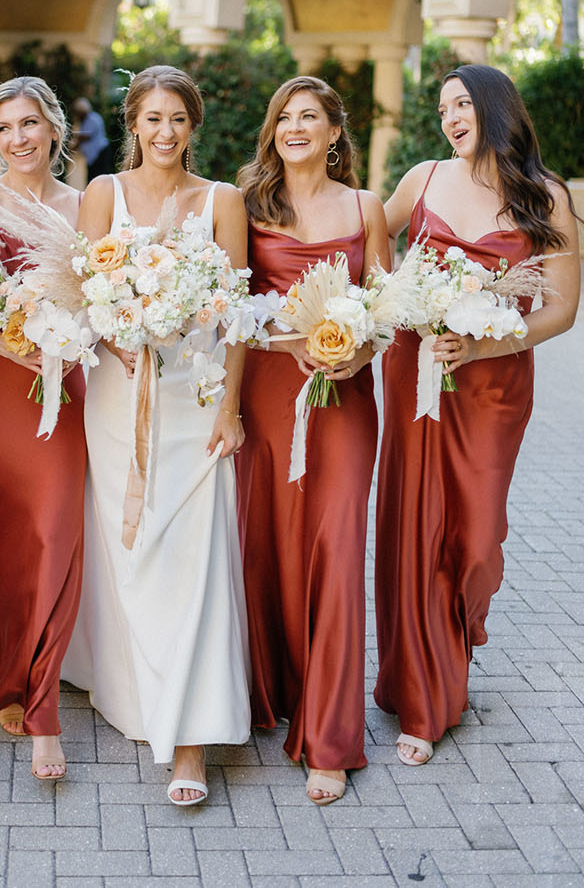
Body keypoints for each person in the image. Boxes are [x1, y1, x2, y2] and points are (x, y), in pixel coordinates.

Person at [375, 64, 580, 767]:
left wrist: (494, 337)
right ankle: (425, 693)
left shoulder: (544, 195)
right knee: (417, 521)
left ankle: (443, 654)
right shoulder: (424, 178)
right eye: (441, 107)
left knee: (477, 534)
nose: (449, 116)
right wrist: (389, 298)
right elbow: (364, 233)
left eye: (461, 103)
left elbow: (560, 307)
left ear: (494, 109)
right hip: (416, 372)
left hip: (493, 387)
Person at [62, 65, 250, 807]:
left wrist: (231, 408)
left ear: (192, 126)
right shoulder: (102, 195)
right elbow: (80, 294)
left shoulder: (222, 200)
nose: (165, 132)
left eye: (178, 119)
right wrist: (122, 333)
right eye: (152, 119)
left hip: (195, 395)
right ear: (132, 123)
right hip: (117, 395)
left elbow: (236, 313)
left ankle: (193, 738)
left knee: (192, 556)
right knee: (129, 550)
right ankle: (135, 694)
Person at [235, 75, 389, 805]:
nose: (295, 126)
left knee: (334, 544)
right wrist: (278, 334)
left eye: (310, 117)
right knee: (271, 542)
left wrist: (362, 351)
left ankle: (328, 734)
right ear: (273, 131)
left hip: (345, 399)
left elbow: (389, 304)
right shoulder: (245, 202)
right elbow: (227, 301)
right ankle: (273, 693)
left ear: (335, 132)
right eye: (284, 116)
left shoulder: (366, 207)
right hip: (266, 394)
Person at [0, 76, 86, 781]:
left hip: (62, 389)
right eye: (4, 128)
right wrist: (2, 340)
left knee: (55, 532)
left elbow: (105, 293)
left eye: (30, 123)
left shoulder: (88, 206)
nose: (18, 138)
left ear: (53, 129)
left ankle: (44, 712)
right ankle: (6, 672)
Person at [71, 96, 113, 181]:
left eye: (79, 112)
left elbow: (86, 136)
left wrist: (72, 138)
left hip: (100, 153)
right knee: (92, 178)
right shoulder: (84, 121)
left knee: (99, 178)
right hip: (92, 156)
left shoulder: (92, 119)